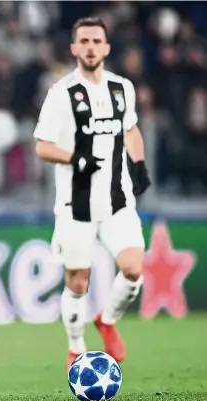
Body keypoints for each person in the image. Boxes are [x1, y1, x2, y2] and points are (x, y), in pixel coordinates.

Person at [33, 17, 151, 371]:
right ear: (73, 48)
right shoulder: (61, 93)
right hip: (75, 205)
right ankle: (75, 346)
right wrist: (75, 158)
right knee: (78, 281)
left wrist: (140, 164)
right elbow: (42, 146)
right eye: (83, 40)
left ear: (106, 47)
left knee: (133, 269)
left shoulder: (122, 88)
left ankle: (108, 320)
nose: (90, 46)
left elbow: (130, 129)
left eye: (96, 40)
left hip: (118, 200)